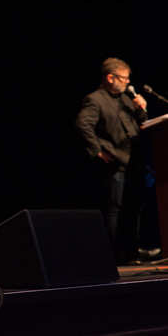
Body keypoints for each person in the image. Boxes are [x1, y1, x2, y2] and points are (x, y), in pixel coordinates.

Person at [76, 57, 148, 263]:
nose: (128, 83)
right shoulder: (95, 99)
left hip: (134, 161)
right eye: (124, 79)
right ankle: (112, 254)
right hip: (115, 161)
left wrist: (141, 108)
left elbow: (142, 125)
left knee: (133, 206)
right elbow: (83, 125)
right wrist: (97, 150)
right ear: (110, 78)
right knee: (113, 208)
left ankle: (131, 251)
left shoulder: (127, 99)